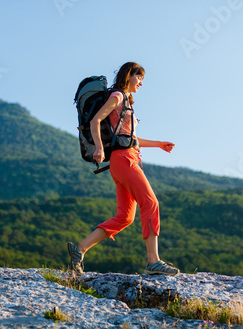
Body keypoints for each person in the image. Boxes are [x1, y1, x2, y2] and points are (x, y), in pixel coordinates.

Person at [68, 62, 180, 276]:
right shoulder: (118, 97)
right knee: (150, 202)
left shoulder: (126, 102)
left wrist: (159, 144)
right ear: (129, 76)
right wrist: (99, 148)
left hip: (126, 159)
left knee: (125, 217)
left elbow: (131, 138)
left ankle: (79, 248)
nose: (141, 83)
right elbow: (95, 120)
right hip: (124, 160)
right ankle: (153, 261)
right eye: (140, 78)